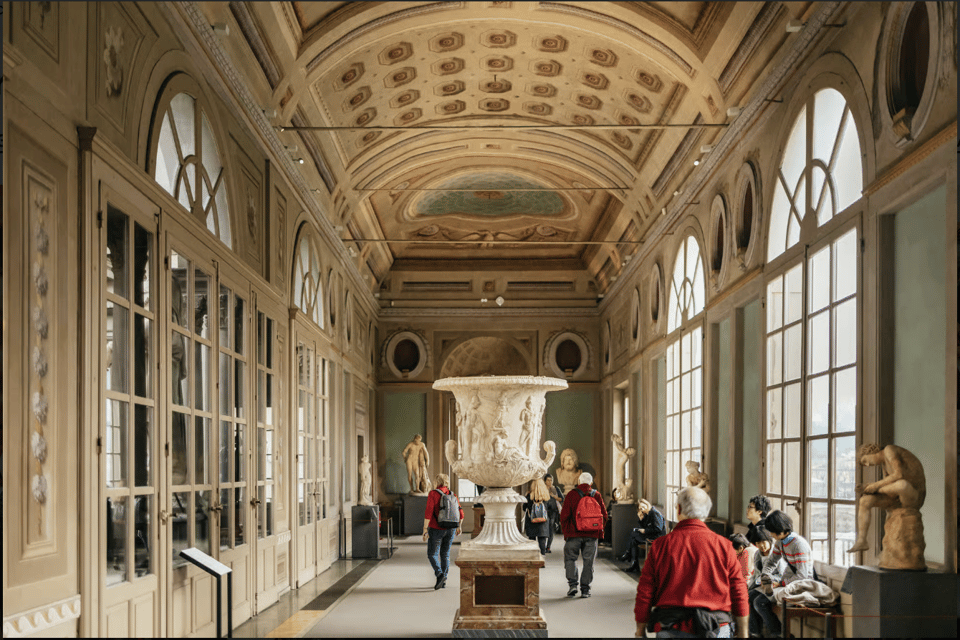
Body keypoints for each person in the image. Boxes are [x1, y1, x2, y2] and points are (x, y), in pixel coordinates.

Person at [634, 487, 749, 638]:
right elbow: (738, 590)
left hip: (672, 627)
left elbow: (645, 591)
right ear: (707, 511)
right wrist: (743, 632)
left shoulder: (661, 545)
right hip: (716, 627)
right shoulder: (724, 546)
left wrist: (640, 630)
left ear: (679, 509)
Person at [847, 442, 926, 553]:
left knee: (902, 484)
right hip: (898, 498)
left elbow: (899, 475)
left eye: (865, 460)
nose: (868, 465)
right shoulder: (884, 464)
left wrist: (873, 486)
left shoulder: (889, 450)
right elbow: (890, 491)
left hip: (914, 495)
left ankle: (869, 488)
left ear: (871, 451)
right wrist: (872, 489)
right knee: (865, 500)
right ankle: (862, 540)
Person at [753, 511, 813, 637]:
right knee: (751, 597)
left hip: (801, 584)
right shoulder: (780, 542)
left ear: (779, 530)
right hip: (786, 582)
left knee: (760, 602)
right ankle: (760, 633)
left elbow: (802, 576)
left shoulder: (799, 544)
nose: (770, 534)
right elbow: (771, 562)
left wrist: (780, 583)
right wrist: (765, 576)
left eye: (771, 531)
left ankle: (780, 634)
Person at [559, 471, 608, 598]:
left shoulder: (571, 495)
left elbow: (564, 516)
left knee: (570, 558)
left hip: (573, 534)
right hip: (592, 535)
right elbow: (604, 515)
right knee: (588, 562)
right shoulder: (596, 495)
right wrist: (597, 530)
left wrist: (567, 532)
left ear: (579, 482)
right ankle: (585, 589)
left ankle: (573, 585)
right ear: (591, 483)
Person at [422, 473, 463, 590]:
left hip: (436, 528)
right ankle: (443, 580)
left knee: (432, 554)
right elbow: (461, 513)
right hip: (451, 529)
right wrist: (459, 526)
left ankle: (440, 575)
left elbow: (428, 512)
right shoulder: (453, 495)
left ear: (437, 482)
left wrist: (425, 529)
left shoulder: (433, 494)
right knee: (445, 554)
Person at [746, 526, 782, 637]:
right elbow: (756, 574)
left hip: (778, 585)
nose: (761, 545)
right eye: (758, 542)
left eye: (763, 541)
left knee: (759, 602)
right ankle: (755, 633)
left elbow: (783, 574)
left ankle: (776, 632)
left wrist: (772, 582)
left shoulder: (777, 553)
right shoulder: (758, 554)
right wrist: (749, 586)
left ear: (769, 540)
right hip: (763, 586)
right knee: (747, 597)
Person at [618, 498, 667, 572]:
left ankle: (631, 558)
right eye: (641, 508)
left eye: (643, 507)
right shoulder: (647, 514)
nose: (643, 509)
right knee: (634, 536)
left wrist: (645, 531)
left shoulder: (654, 513)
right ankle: (633, 562)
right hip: (651, 535)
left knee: (634, 536)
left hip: (657, 537)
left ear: (647, 504)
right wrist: (641, 519)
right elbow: (643, 526)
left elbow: (658, 529)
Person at [522, 478, 557, 555]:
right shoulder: (546, 497)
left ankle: (534, 559)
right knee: (542, 542)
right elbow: (552, 508)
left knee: (532, 541)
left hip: (531, 522)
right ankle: (542, 559)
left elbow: (524, 508)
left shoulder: (529, 496)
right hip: (543, 522)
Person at [543, 473, 563, 550]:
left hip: (553, 511)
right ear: (545, 481)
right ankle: (543, 546)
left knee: (551, 528)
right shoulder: (542, 489)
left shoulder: (556, 489)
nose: (550, 482)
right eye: (548, 480)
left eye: (551, 480)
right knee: (544, 528)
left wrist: (554, 496)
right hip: (544, 511)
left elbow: (561, 499)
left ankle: (548, 547)